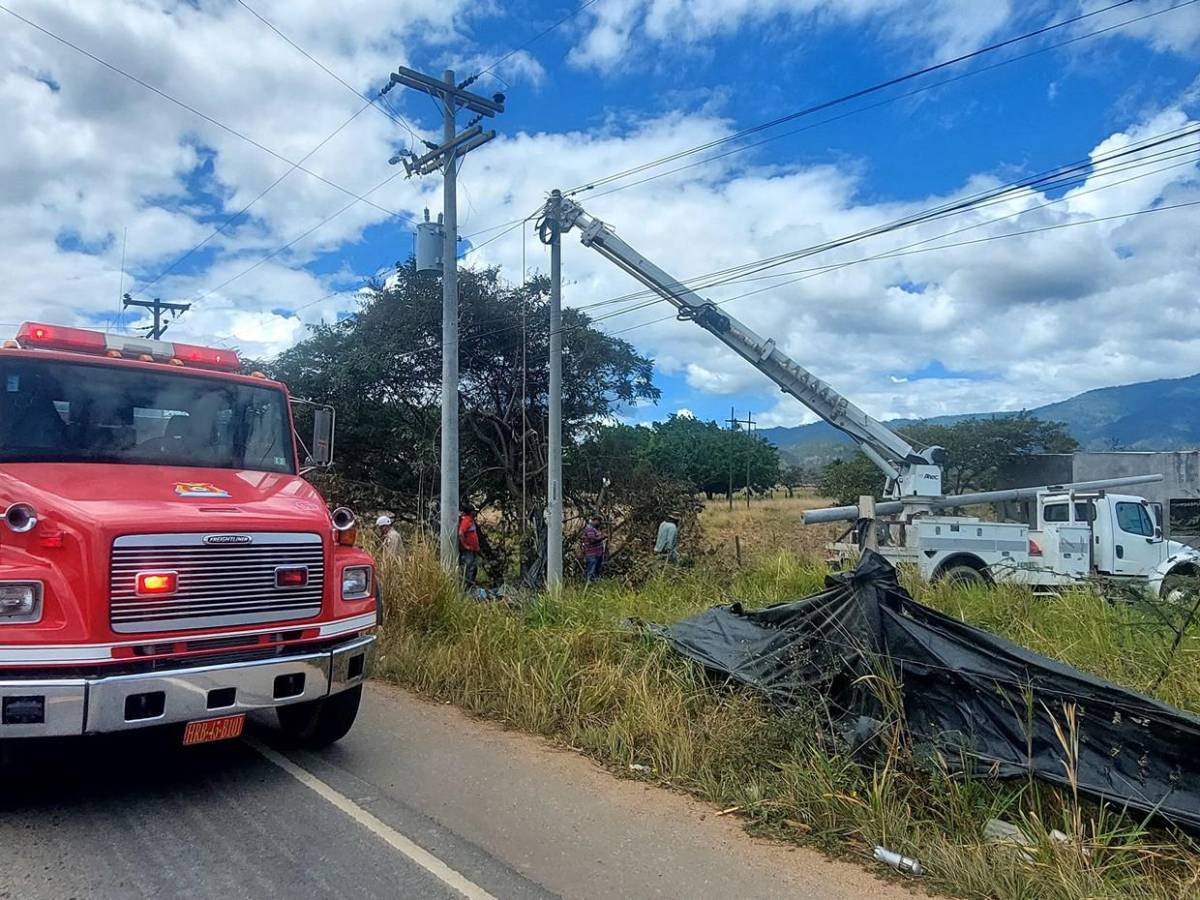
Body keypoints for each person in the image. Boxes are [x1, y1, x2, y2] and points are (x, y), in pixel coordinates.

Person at [458, 502, 481, 587]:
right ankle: (466, 586)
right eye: (474, 511)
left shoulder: (470, 521)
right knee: (468, 568)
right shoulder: (466, 520)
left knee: (473, 567)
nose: (475, 513)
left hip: (473, 550)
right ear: (471, 512)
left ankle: (470, 585)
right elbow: (461, 533)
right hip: (468, 550)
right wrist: (465, 545)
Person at [581, 514, 606, 582]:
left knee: (596, 570)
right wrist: (602, 537)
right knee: (591, 570)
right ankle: (588, 583)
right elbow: (592, 540)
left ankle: (594, 582)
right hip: (592, 554)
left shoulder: (595, 529)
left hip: (597, 553)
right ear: (595, 520)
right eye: (599, 521)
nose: (600, 524)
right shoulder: (590, 528)